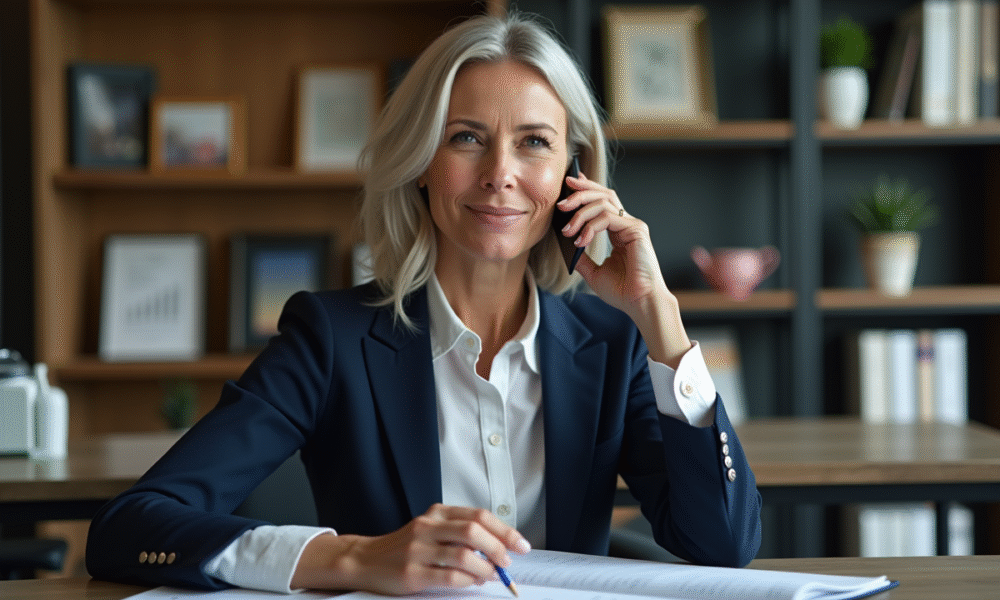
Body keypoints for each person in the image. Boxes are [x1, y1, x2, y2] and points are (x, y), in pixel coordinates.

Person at [86, 11, 762, 594]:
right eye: (466, 137)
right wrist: (355, 558)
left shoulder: (613, 346)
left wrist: (659, 318)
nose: (500, 174)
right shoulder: (331, 338)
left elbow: (723, 544)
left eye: (534, 142)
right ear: (420, 163)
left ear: (572, 175)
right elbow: (130, 526)